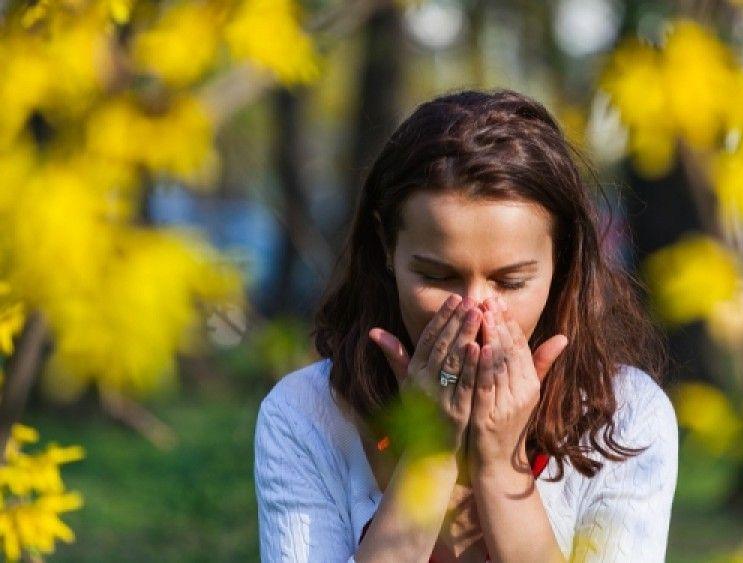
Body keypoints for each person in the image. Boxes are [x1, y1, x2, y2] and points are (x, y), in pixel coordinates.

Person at [254, 89, 678, 562]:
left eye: (510, 282)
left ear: (560, 263)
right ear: (387, 248)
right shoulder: (307, 415)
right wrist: (428, 456)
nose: (475, 311)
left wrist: (502, 468)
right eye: (437, 277)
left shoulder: (626, 417)